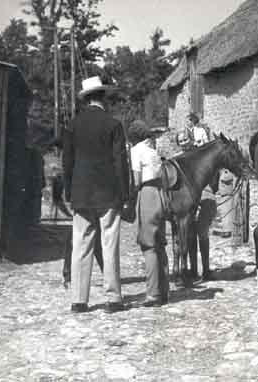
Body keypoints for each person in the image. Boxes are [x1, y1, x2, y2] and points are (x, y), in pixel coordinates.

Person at [63, 75, 130, 314]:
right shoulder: (113, 125)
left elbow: (67, 162)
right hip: (108, 193)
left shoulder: (73, 125)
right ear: (102, 97)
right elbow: (120, 163)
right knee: (109, 244)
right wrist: (125, 194)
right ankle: (113, 299)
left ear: (86, 99)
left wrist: (68, 192)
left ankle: (79, 301)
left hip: (81, 193)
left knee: (80, 245)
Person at [129, 120, 170, 306]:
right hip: (160, 194)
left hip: (146, 194)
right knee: (160, 243)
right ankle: (165, 290)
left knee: (148, 245)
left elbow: (136, 181)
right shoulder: (154, 152)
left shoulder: (136, 151)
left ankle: (153, 293)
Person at [175, 112, 217, 280]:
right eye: (181, 141)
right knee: (189, 233)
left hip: (204, 195)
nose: (184, 143)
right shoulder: (177, 160)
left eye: (186, 139)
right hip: (186, 200)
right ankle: (192, 270)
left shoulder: (200, 157)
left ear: (191, 139)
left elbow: (211, 175)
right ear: (178, 144)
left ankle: (206, 269)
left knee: (202, 232)